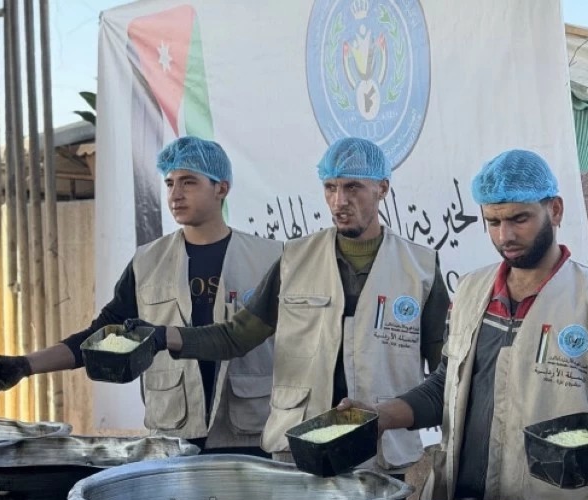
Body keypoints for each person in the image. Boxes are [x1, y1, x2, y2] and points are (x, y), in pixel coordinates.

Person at [351, 149, 588, 500]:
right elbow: (446, 387)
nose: (505, 235)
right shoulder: (470, 290)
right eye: (493, 221)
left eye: (519, 219)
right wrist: (379, 417)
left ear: (555, 210)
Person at [138, 137, 449, 476]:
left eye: (353, 187)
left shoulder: (420, 268)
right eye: (330, 187)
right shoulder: (295, 259)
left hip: (382, 454)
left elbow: (445, 377)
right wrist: (163, 336)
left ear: (382, 188)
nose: (340, 201)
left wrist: (398, 415)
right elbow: (235, 337)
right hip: (299, 451)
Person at [0, 136, 282, 454]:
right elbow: (102, 335)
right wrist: (24, 365)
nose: (175, 194)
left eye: (189, 182)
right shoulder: (148, 261)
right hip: (174, 437)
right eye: (170, 183)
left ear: (221, 188)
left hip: (251, 435)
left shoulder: (270, 258)